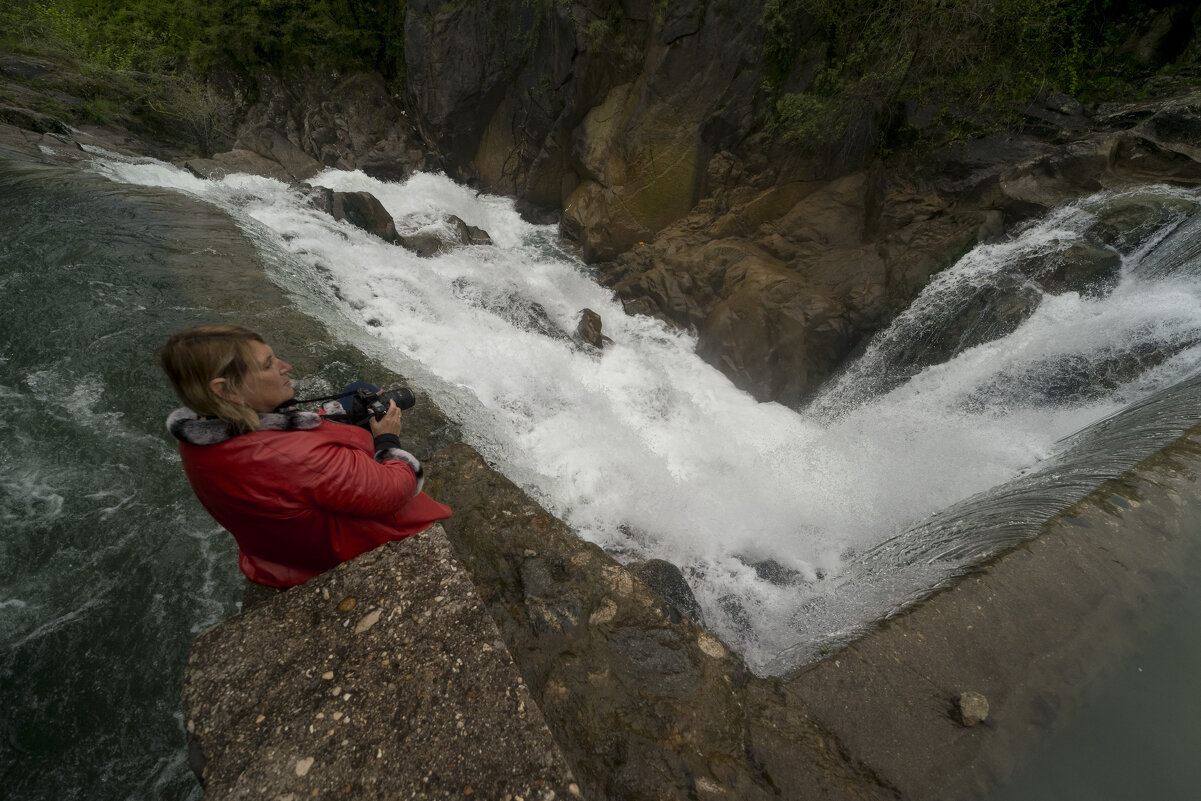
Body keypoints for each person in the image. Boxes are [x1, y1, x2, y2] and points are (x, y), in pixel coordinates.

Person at [158, 324, 451, 590]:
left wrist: (332, 414)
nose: (286, 366)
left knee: (357, 394)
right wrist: (388, 439)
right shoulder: (292, 458)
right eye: (269, 364)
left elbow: (282, 446)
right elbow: (394, 490)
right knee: (377, 409)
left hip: (274, 555)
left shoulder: (198, 435)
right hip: (341, 550)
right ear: (226, 390)